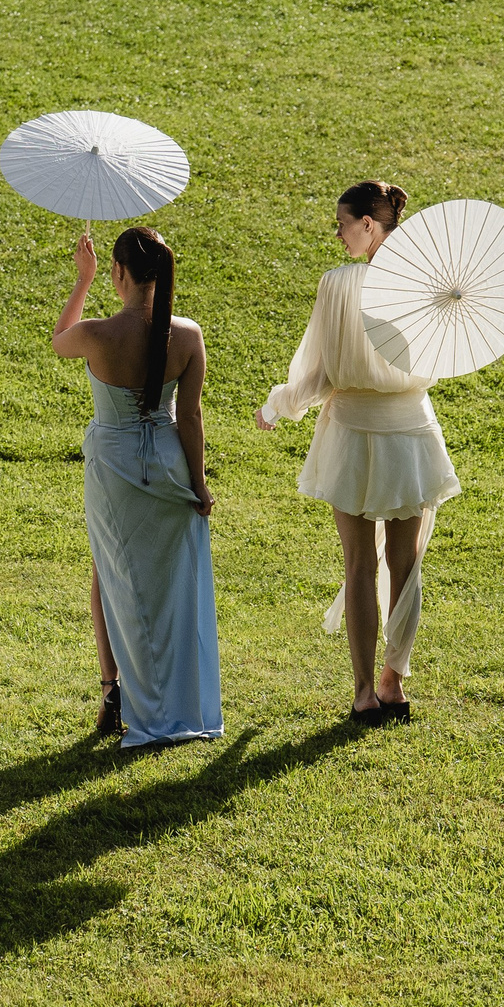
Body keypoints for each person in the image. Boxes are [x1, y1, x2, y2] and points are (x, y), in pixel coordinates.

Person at [255, 181, 461, 724]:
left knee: (359, 564)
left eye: (343, 222)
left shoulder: (339, 285)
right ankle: (394, 679)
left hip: (351, 430)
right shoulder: (431, 286)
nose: (339, 232)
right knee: (404, 561)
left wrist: (279, 405)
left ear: (369, 224)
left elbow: (318, 371)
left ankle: (365, 689)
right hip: (410, 427)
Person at [51, 224, 222, 746]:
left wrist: (82, 282)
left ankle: (113, 691)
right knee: (174, 582)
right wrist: (200, 485)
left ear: (119, 273)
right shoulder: (188, 335)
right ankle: (175, 696)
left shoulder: (97, 334)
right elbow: (189, 418)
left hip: (114, 466)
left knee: (110, 570)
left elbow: (59, 341)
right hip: (170, 464)